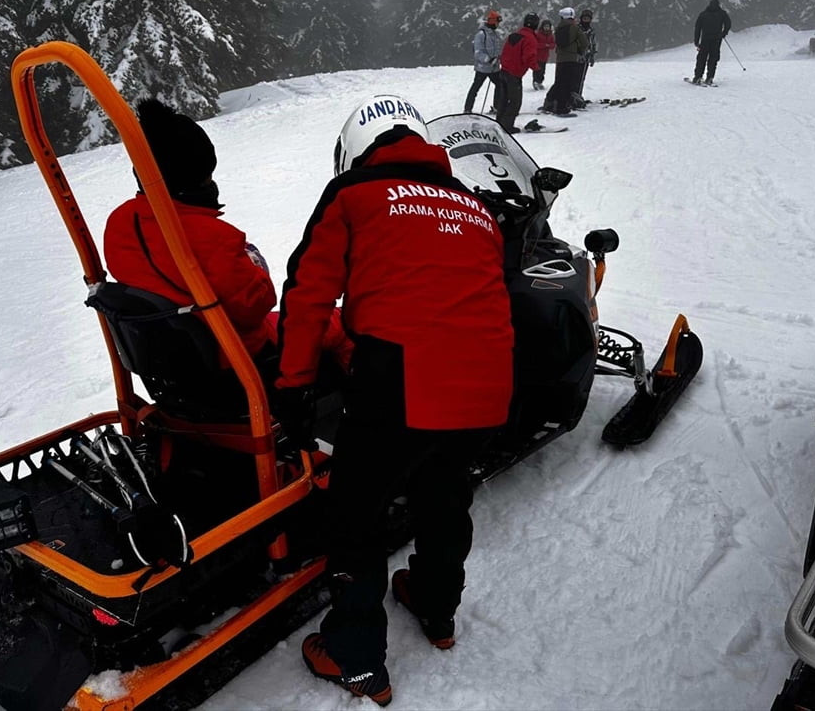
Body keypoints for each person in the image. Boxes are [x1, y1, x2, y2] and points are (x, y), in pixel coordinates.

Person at [274, 94, 513, 706]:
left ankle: (355, 659)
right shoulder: (475, 207)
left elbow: (307, 293)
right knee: (444, 496)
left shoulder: (353, 194)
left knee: (354, 515)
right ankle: (436, 609)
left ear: (356, 152)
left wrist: (293, 385)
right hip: (488, 383)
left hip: (400, 378)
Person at [104, 98, 349, 376]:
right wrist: (255, 264)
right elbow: (255, 306)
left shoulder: (120, 223)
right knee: (342, 324)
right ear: (194, 178)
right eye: (207, 176)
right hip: (238, 356)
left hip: (180, 362)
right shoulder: (210, 237)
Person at [497, 12, 541, 134]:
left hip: (504, 71)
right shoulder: (530, 38)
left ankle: (499, 123)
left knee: (503, 99)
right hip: (514, 74)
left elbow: (504, 52)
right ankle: (507, 126)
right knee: (515, 102)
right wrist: (537, 69)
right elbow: (529, 57)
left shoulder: (513, 35)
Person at [548, 7, 589, 117]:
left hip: (560, 59)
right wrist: (579, 51)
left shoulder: (558, 28)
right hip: (571, 59)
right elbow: (585, 42)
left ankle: (551, 103)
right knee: (568, 84)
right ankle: (562, 108)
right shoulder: (575, 28)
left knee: (559, 82)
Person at [463, 9, 503, 114]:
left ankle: (497, 106)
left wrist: (498, 59)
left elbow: (497, 50)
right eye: (497, 22)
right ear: (492, 21)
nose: (498, 25)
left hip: (494, 68)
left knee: (500, 85)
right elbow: (478, 52)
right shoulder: (481, 34)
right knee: (475, 88)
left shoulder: (495, 34)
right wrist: (489, 59)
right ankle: (467, 109)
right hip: (483, 68)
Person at [692, 0, 732, 85]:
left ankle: (698, 77)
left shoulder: (703, 14)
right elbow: (728, 24)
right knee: (713, 59)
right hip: (716, 40)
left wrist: (696, 41)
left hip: (705, 40)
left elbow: (697, 28)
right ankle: (710, 77)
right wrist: (723, 33)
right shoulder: (722, 14)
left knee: (701, 59)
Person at [573, 8, 597, 105]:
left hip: (586, 57)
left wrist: (592, 55)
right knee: (575, 77)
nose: (586, 20)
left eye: (588, 18)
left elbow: (593, 43)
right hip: (577, 56)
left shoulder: (591, 30)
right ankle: (573, 95)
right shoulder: (577, 29)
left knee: (581, 77)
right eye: (584, 18)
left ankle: (578, 95)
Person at [531, 18, 556, 90]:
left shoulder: (551, 35)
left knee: (542, 70)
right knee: (537, 70)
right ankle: (536, 81)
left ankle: (540, 82)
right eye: (545, 26)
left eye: (548, 26)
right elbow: (535, 44)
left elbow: (553, 45)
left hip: (545, 56)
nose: (546, 28)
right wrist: (545, 45)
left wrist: (548, 45)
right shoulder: (538, 34)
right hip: (537, 55)